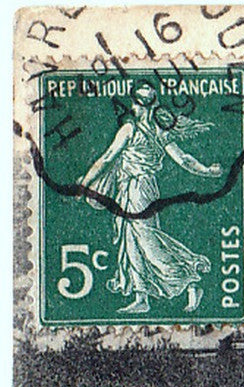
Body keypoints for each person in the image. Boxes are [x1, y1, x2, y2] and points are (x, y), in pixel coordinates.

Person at [77, 83, 222, 314]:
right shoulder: (158, 131)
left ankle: (190, 278)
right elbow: (183, 159)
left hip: (139, 189)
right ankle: (141, 298)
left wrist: (83, 184)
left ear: (136, 104)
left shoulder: (130, 129)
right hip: (133, 189)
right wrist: (206, 170)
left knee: (147, 240)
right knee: (131, 241)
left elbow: (106, 159)